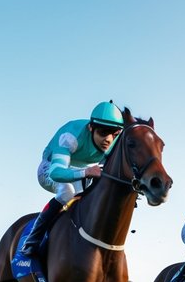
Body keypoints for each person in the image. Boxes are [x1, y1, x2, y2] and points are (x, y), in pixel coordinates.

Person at [17, 101, 125, 259]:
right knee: (68, 191)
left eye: (114, 134)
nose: (108, 140)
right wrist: (86, 171)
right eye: (103, 132)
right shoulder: (71, 136)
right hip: (52, 167)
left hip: (87, 169)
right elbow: (56, 173)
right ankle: (33, 239)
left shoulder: (113, 141)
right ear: (91, 127)